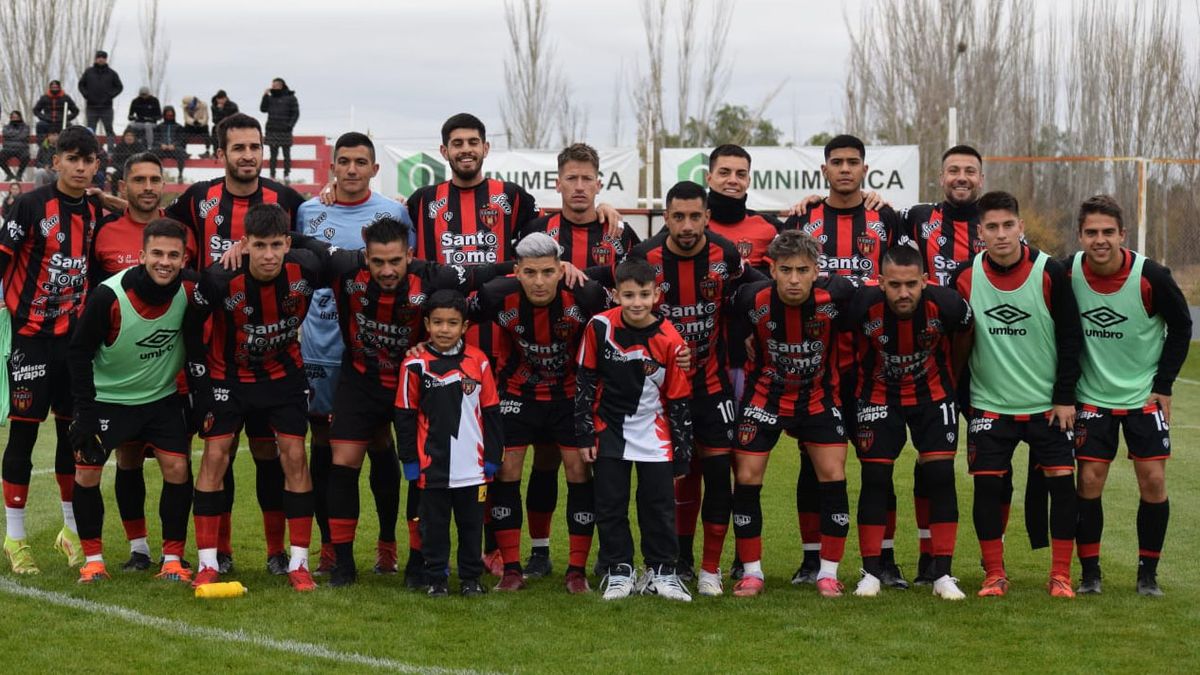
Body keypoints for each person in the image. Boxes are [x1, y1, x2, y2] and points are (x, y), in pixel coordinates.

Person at [313, 217, 510, 588]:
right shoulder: (344, 267)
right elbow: (299, 248)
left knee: (424, 469)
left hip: (416, 380)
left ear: (410, 255)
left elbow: (487, 274)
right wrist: (245, 245)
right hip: (361, 379)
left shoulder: (434, 276)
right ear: (364, 256)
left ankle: (418, 561)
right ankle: (342, 562)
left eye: (395, 261)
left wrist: (537, 266)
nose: (387, 270)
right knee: (343, 462)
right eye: (377, 262)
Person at [164, 112, 306, 574]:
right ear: (221, 153)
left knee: (270, 456)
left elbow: (300, 246)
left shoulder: (284, 198)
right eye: (238, 148)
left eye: (255, 147)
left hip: (272, 355)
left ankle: (275, 551)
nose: (248, 156)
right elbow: (165, 250)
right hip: (215, 352)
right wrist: (210, 277)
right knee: (215, 453)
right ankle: (218, 552)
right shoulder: (198, 198)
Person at [782, 134, 907, 588]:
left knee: (879, 463)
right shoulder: (803, 216)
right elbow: (781, 276)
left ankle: (885, 561)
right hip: (817, 363)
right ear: (825, 170)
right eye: (837, 162)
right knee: (811, 465)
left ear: (865, 169)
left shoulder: (886, 218)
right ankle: (812, 559)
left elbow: (907, 274)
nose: (845, 170)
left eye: (853, 162)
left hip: (873, 363)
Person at [629, 180, 761, 596]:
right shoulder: (644, 257)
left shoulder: (725, 254)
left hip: (713, 385)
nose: (687, 225)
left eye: (695, 216)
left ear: (707, 216)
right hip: (662, 391)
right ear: (665, 217)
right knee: (669, 479)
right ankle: (674, 560)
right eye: (678, 217)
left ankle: (710, 570)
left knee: (720, 476)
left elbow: (754, 287)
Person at [513, 142, 639, 577]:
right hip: (540, 365)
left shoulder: (618, 233)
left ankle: (602, 558)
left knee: (591, 467)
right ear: (558, 182)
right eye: (572, 178)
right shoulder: (537, 228)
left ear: (599, 183)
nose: (580, 186)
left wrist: (586, 278)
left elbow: (635, 284)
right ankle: (540, 552)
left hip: (598, 373)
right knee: (545, 462)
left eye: (588, 179)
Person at [184, 203, 323, 591]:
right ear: (244, 244)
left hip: (283, 377)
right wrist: (200, 387)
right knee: (215, 456)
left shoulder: (307, 266)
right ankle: (208, 563)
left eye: (276, 245)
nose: (267, 255)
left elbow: (348, 267)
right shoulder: (218, 277)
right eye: (258, 245)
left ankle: (298, 562)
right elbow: (191, 330)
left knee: (294, 457)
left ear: (287, 243)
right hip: (227, 376)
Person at [951, 190, 1082, 598]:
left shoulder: (1051, 273)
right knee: (988, 489)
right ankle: (994, 574)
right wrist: (963, 400)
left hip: (1048, 407)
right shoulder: (964, 276)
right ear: (980, 233)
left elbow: (1071, 338)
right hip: (990, 406)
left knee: (1062, 486)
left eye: (1009, 225)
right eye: (992, 227)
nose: (1002, 234)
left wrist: (1064, 398)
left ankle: (1060, 574)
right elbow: (954, 340)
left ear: (1021, 227)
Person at [295, 132, 410, 578]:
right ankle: (330, 545)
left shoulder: (392, 212)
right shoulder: (309, 211)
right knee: (324, 440)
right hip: (320, 342)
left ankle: (387, 542)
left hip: (376, 347)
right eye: (344, 161)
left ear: (374, 169)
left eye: (361, 162)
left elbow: (406, 268)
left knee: (381, 440)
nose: (352, 170)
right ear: (333, 167)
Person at [1068, 195, 1191, 597]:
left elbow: (1181, 326)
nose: (1099, 240)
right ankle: (1090, 574)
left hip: (1143, 398)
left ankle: (1147, 575)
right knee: (1089, 479)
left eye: (1107, 232)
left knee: (1153, 480)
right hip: (1091, 396)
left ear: (1122, 233)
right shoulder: (1067, 272)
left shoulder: (1151, 276)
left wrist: (1164, 384)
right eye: (1091, 232)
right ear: (1080, 235)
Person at [473, 232, 608, 593]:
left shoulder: (586, 295)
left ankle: (576, 571)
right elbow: (451, 314)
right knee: (507, 470)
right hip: (518, 392)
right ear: (516, 271)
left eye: (547, 272)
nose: (539, 281)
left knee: (579, 471)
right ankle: (512, 569)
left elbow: (622, 312)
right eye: (529, 272)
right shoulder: (495, 296)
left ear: (560, 270)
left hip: (569, 395)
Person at [66, 218, 196, 584]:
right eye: (157, 253)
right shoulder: (109, 296)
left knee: (177, 468)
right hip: (108, 399)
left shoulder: (190, 288)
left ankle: (172, 559)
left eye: (173, 255)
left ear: (184, 258)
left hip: (160, 398)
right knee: (88, 472)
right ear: (141, 255)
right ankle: (94, 561)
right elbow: (78, 354)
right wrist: (86, 413)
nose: (165, 262)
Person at [727, 230, 856, 597]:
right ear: (772, 269)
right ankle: (752, 572)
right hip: (766, 397)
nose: (795, 279)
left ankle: (828, 573)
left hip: (818, 397)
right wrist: (746, 340)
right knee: (747, 479)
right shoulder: (752, 298)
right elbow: (727, 319)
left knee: (833, 476)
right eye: (786, 270)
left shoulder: (839, 295)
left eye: (802, 270)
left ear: (817, 270)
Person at [0, 126, 104, 574]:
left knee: (73, 434)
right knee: (23, 435)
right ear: (55, 160)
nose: (80, 167)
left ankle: (70, 533)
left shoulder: (96, 210)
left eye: (88, 160)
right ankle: (15, 538)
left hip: (73, 344)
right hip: (29, 339)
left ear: (97, 165)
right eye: (72, 158)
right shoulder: (29, 205)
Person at [844, 244, 973, 600]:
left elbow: (966, 335)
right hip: (877, 394)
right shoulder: (860, 304)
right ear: (881, 282)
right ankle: (870, 571)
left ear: (925, 281)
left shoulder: (947, 305)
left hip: (932, 394)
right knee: (874, 477)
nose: (904, 293)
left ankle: (942, 574)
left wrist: (953, 379)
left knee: (941, 476)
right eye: (895, 285)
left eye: (912, 284)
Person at [89, 152, 198, 570]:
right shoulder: (104, 231)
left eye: (156, 179)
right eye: (140, 179)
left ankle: (180, 551)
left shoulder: (180, 231)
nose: (148, 186)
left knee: (177, 463)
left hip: (171, 375)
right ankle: (139, 550)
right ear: (125, 186)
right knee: (128, 459)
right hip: (118, 373)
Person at [576, 258, 694, 602]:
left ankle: (662, 571)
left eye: (644, 294)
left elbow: (679, 397)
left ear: (656, 294)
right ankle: (619, 570)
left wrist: (683, 454)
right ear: (615, 295)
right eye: (629, 295)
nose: (637, 302)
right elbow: (585, 381)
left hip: (655, 435)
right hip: (608, 430)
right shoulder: (599, 327)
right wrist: (585, 434)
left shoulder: (670, 338)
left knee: (658, 506)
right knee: (610, 504)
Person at [899, 144, 989, 584]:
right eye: (953, 169)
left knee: (993, 463)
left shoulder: (994, 222)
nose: (961, 177)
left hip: (987, 361)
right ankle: (927, 558)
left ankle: (995, 563)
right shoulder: (917, 218)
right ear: (940, 176)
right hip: (926, 356)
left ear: (980, 179)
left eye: (969, 171)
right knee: (928, 460)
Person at [395, 289, 502, 597]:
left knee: (472, 527)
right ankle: (437, 579)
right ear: (426, 323)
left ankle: (470, 579)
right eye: (438, 322)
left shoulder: (478, 361)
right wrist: (410, 462)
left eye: (452, 323)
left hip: (474, 467)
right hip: (432, 467)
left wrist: (492, 457)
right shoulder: (414, 365)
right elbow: (404, 416)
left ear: (464, 326)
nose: (444, 329)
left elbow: (492, 413)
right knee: (434, 528)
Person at [77, 50, 123, 152]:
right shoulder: (88, 72)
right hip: (92, 107)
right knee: (90, 130)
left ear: (106, 59)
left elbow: (119, 87)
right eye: (99, 57)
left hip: (106, 107)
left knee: (109, 130)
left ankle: (111, 151)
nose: (101, 59)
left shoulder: (112, 73)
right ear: (96, 59)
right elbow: (81, 85)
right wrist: (87, 95)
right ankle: (90, 150)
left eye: (103, 57)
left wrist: (110, 95)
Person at [260, 78, 299, 182]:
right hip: (272, 129)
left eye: (275, 85)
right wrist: (265, 96)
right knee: (273, 155)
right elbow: (263, 109)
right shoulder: (270, 97)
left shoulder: (291, 98)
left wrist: (290, 125)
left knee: (286, 154)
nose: (273, 87)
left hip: (285, 130)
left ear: (281, 85)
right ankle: (272, 175)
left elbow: (295, 113)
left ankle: (286, 175)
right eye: (272, 85)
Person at [154, 106, 187, 182]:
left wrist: (174, 145)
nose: (169, 117)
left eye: (171, 115)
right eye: (168, 115)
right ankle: (156, 175)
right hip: (162, 149)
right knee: (153, 153)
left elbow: (182, 140)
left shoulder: (179, 127)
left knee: (181, 153)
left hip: (174, 149)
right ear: (164, 115)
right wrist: (161, 145)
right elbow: (155, 140)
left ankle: (180, 175)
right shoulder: (159, 127)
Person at [1, 111, 31, 181]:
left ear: (20, 117)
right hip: (8, 149)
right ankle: (9, 174)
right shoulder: (6, 127)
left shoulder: (26, 127)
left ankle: (19, 174)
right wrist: (18, 133)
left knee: (26, 157)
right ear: (11, 118)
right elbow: (5, 134)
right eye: (13, 117)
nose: (15, 119)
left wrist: (11, 135)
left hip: (21, 149)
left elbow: (23, 136)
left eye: (17, 117)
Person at [210, 90, 238, 155]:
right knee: (214, 130)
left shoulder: (232, 106)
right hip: (219, 126)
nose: (220, 101)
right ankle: (215, 153)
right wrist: (219, 110)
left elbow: (235, 118)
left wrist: (222, 111)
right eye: (219, 99)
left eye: (222, 99)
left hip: (231, 125)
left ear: (225, 98)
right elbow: (214, 119)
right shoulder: (214, 106)